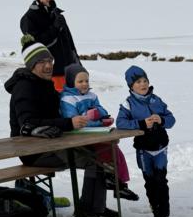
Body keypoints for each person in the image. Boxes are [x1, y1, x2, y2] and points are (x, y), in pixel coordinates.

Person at [5, 37, 114, 217]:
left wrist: (85, 112)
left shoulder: (45, 83)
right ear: (31, 65)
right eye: (42, 62)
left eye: (50, 60)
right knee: (93, 160)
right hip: (33, 151)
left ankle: (96, 207)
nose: (48, 66)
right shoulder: (24, 87)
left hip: (54, 143)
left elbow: (60, 113)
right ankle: (85, 212)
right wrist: (68, 123)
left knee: (101, 152)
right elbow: (27, 124)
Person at [60, 63, 140, 202]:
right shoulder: (67, 99)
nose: (85, 84)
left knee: (115, 150)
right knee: (106, 149)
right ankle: (113, 181)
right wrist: (96, 120)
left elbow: (102, 110)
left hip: (94, 132)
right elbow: (75, 122)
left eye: (86, 81)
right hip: (78, 137)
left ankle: (120, 184)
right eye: (80, 81)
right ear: (71, 82)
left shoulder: (91, 95)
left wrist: (100, 116)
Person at [116, 65, 176, 217]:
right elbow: (121, 123)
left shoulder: (156, 100)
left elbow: (171, 119)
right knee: (150, 182)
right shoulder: (128, 104)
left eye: (145, 80)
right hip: (143, 150)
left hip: (160, 148)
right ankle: (158, 213)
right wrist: (141, 123)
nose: (143, 84)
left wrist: (161, 120)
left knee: (161, 180)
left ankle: (163, 214)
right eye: (138, 82)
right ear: (131, 86)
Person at [20, 0, 78, 92]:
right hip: (49, 72)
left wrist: (76, 64)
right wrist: (54, 28)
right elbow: (36, 45)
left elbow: (69, 43)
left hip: (68, 71)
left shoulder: (58, 15)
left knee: (71, 101)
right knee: (53, 101)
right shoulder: (29, 18)